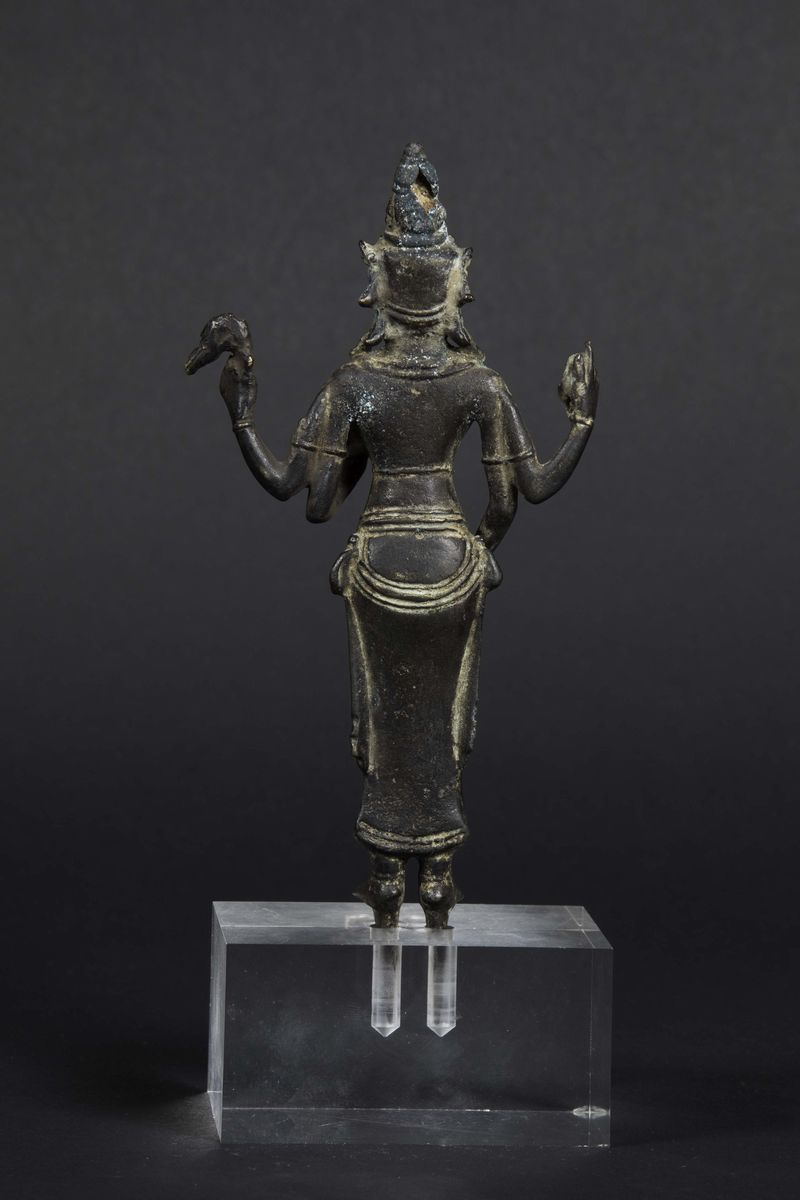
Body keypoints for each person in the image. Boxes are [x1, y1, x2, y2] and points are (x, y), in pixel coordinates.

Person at [185, 143, 598, 928]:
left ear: (379, 289)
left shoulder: (355, 382)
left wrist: (241, 412)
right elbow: (524, 492)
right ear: (454, 289)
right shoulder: (477, 382)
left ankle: (383, 873)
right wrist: (579, 423)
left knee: (381, 717)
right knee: (442, 719)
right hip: (451, 558)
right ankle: (438, 873)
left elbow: (300, 494)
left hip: (376, 561)